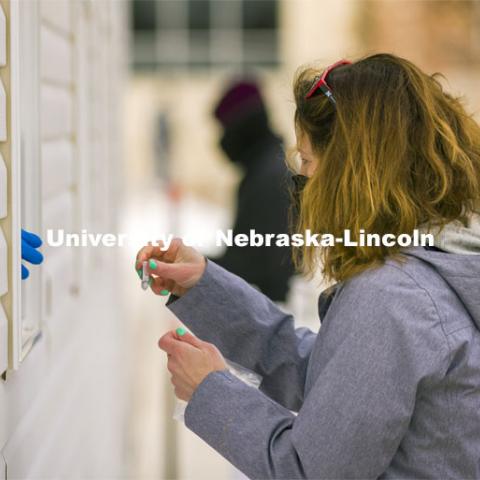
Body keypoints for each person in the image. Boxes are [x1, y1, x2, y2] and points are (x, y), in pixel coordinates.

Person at [136, 53, 480, 479]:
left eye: (307, 164)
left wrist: (211, 391)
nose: (301, 184)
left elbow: (307, 471)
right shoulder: (441, 261)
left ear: (349, 174)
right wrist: (205, 287)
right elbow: (339, 382)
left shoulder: (394, 297)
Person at [209, 80, 295, 302]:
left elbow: (264, 267)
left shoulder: (270, 178)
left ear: (242, 127)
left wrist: (200, 269)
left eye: (224, 129)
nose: (221, 140)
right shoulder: (264, 171)